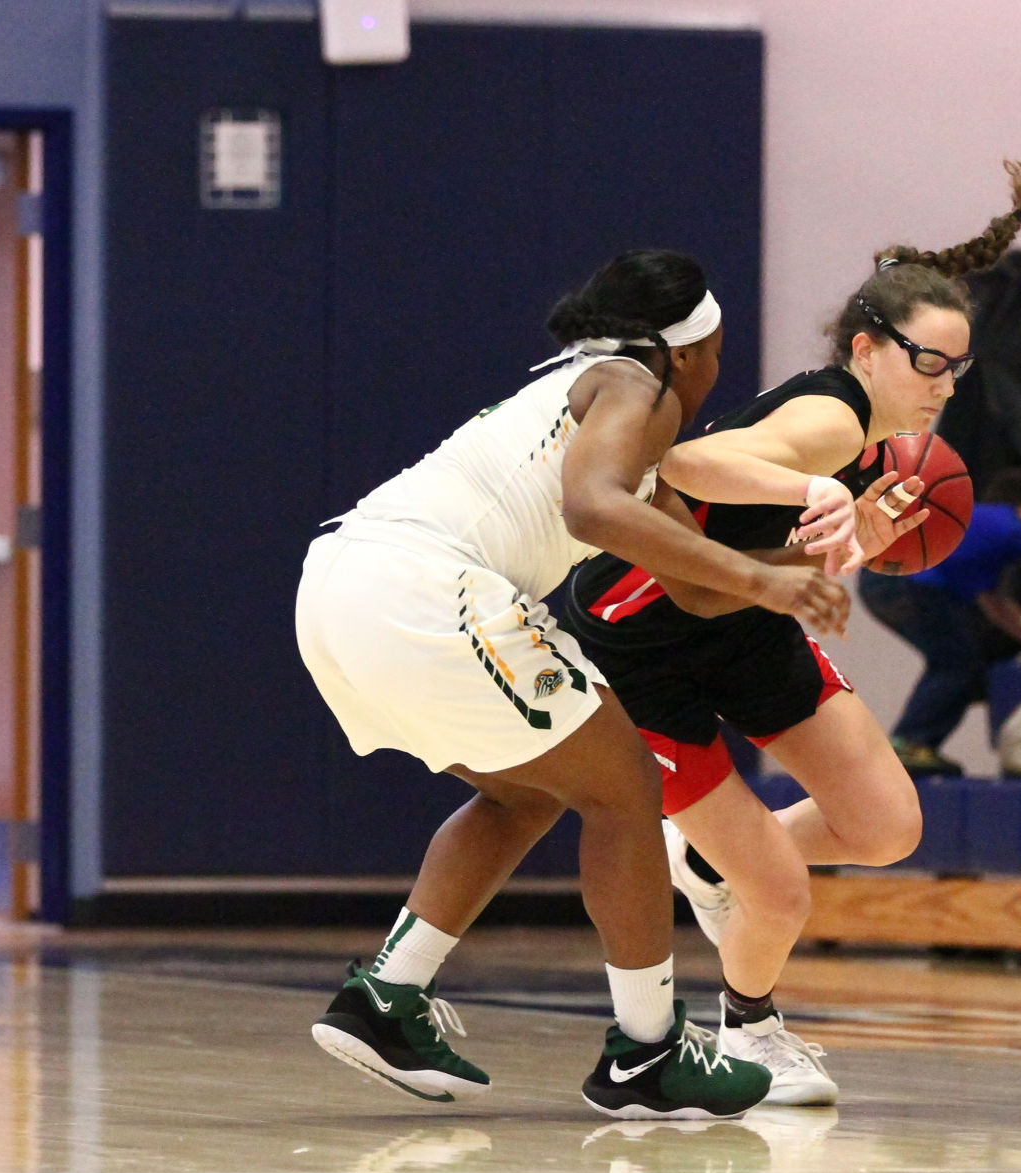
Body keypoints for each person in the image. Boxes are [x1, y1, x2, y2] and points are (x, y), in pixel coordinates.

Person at [294, 249, 857, 1119]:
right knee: (627, 782)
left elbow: (699, 584)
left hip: (342, 583)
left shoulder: (617, 421)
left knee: (529, 793)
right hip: (422, 584)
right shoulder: (628, 380)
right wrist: (766, 584)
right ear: (685, 353)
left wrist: (814, 560)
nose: (718, 370)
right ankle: (646, 1052)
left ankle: (384, 997)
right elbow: (589, 509)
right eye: (715, 350)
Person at [563, 162, 1021, 1106]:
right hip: (642, 636)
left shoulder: (873, 437)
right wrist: (815, 488)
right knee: (779, 891)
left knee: (887, 823)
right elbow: (683, 463)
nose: (945, 384)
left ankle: (703, 856)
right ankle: (751, 1027)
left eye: (958, 366)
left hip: (741, 616)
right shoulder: (832, 419)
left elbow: (772, 554)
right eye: (927, 361)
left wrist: (850, 539)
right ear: (868, 348)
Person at [858, 467, 1021, 776]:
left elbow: (997, 608)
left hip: (881, 580)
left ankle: (914, 745)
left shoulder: (979, 530)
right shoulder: (1014, 526)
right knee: (959, 664)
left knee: (958, 660)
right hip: (908, 581)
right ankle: (910, 744)